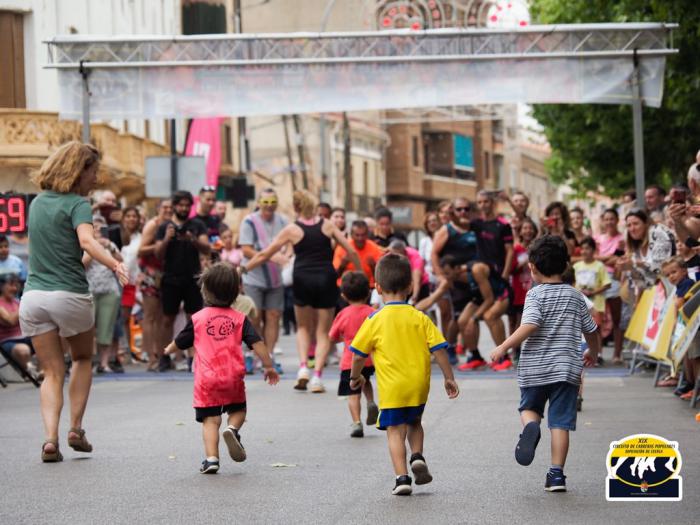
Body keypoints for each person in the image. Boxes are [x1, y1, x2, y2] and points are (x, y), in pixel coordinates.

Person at [19, 141, 128, 462]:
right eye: (93, 171)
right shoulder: (78, 205)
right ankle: (75, 429)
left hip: (34, 297)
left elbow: (60, 250)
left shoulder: (37, 203)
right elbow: (86, 241)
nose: (96, 178)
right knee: (81, 358)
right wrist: (114, 263)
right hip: (69, 296)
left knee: (51, 372)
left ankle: (50, 439)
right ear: (78, 170)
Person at [490, 235, 600, 492]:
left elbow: (530, 324)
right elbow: (592, 330)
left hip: (535, 368)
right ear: (565, 266)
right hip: (567, 369)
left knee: (529, 409)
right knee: (560, 423)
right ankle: (556, 475)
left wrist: (504, 346)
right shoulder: (576, 296)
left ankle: (530, 427)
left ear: (532, 268)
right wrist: (592, 352)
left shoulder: (535, 295)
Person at [348, 253, 459, 496]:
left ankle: (402, 478)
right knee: (415, 422)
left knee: (395, 431)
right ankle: (417, 455)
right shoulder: (420, 316)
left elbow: (358, 355)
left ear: (377, 288)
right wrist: (449, 377)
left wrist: (355, 376)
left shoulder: (375, 319)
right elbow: (439, 348)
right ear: (410, 287)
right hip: (418, 385)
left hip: (392, 389)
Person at [164, 262, 279, 474]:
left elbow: (181, 341)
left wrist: (168, 349)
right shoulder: (240, 319)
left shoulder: (198, 319)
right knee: (238, 410)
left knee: (210, 420)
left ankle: (211, 459)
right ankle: (233, 429)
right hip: (232, 376)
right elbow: (257, 343)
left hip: (206, 379)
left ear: (205, 290)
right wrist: (269, 366)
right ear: (236, 292)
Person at [243, 190, 360, 393]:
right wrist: (361, 274)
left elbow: (264, 254)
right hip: (325, 278)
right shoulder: (327, 225)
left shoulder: (292, 229)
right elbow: (350, 251)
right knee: (323, 332)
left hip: (302, 278)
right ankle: (317, 377)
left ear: (296, 208)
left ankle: (304, 368)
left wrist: (243, 269)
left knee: (304, 328)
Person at [155, 190, 210, 371]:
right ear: (175, 206)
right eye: (181, 205)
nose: (184, 208)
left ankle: (192, 357)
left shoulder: (197, 225)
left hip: (192, 278)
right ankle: (163, 356)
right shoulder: (165, 227)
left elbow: (207, 248)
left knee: (194, 319)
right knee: (167, 319)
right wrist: (166, 239)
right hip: (171, 278)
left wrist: (192, 239)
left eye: (187, 205)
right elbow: (157, 254)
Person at [239, 189, 289, 374]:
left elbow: (291, 242)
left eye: (272, 202)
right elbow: (246, 249)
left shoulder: (283, 221)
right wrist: (271, 256)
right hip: (254, 277)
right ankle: (250, 355)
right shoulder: (249, 221)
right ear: (259, 202)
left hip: (276, 278)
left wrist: (287, 253)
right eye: (265, 202)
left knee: (274, 316)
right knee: (254, 317)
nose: (269, 206)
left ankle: (269, 356)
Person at [328, 272, 379, 438]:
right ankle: (371, 402)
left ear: (343, 295)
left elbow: (332, 337)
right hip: (369, 359)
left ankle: (357, 422)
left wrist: (343, 337)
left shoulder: (343, 314)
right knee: (366, 381)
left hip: (349, 361)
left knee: (353, 393)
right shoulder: (372, 312)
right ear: (368, 292)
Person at [431, 197, 479, 365]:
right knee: (457, 318)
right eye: (459, 209)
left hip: (473, 279)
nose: (463, 212)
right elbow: (434, 254)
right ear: (453, 212)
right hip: (454, 281)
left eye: (466, 209)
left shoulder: (475, 227)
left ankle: (474, 353)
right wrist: (440, 276)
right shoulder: (447, 230)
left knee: (472, 317)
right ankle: (450, 347)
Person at [84, 216, 123, 374]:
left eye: (102, 228)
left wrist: (110, 248)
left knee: (106, 328)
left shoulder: (110, 245)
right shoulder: (86, 244)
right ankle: (86, 362)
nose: (99, 231)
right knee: (87, 328)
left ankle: (104, 363)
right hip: (90, 291)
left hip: (109, 291)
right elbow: (83, 264)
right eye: (96, 228)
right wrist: (95, 248)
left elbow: (121, 263)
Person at [137, 199, 172, 371]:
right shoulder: (153, 225)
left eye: (170, 208)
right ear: (158, 208)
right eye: (164, 207)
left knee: (161, 317)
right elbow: (141, 250)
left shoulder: (172, 225)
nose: (168, 210)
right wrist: (159, 244)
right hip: (150, 272)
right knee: (149, 317)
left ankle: (160, 355)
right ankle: (151, 357)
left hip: (165, 274)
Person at [617, 208, 675, 298]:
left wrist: (635, 264)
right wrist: (629, 268)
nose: (632, 229)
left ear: (646, 223)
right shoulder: (635, 245)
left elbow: (661, 267)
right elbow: (642, 282)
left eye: (636, 224)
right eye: (629, 225)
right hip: (655, 294)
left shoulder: (658, 233)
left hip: (673, 288)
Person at [594, 209, 625, 364]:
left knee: (616, 318)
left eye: (612, 219)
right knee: (597, 318)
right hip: (597, 280)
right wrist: (609, 258)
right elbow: (594, 258)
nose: (609, 222)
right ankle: (596, 353)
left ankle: (617, 354)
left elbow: (619, 259)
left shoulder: (622, 239)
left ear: (617, 220)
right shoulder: (597, 239)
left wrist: (602, 259)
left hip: (614, 279)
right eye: (606, 219)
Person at [573, 237, 611, 351]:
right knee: (581, 328)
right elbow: (573, 282)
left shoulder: (599, 266)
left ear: (594, 250)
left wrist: (592, 292)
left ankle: (598, 353)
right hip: (581, 302)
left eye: (587, 248)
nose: (584, 251)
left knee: (596, 328)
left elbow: (607, 284)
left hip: (596, 303)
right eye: (582, 249)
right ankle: (583, 351)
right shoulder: (576, 266)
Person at [509, 218, 538, 363]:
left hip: (535, 288)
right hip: (519, 289)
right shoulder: (516, 249)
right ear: (520, 231)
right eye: (525, 228)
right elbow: (510, 268)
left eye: (530, 228)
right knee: (518, 321)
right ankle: (516, 350)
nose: (528, 231)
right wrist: (522, 262)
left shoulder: (538, 247)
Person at [473, 190, 514, 280]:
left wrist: (506, 274)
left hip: (498, 271)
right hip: (480, 271)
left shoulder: (504, 224)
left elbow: (510, 251)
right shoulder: (475, 223)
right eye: (479, 202)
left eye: (486, 201)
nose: (483, 205)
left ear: (492, 203)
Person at [333, 220, 384, 290]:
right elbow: (334, 277)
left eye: (363, 235)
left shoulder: (374, 248)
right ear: (351, 234)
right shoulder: (342, 248)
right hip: (345, 287)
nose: (360, 238)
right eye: (357, 235)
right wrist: (342, 266)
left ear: (367, 235)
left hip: (368, 288)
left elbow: (381, 279)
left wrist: (373, 266)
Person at [119, 206, 142, 358]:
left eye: (134, 216)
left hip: (132, 282)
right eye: (128, 216)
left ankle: (128, 350)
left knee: (125, 318)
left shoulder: (141, 237)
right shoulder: (117, 235)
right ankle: (120, 350)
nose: (131, 219)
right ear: (123, 218)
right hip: (114, 280)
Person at [0, 274, 34, 374]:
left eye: (16, 285)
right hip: (7, 341)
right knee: (23, 349)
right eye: (11, 285)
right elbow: (10, 320)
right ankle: (29, 372)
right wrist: (25, 301)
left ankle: (44, 371)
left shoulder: (17, 302)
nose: (14, 288)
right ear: (1, 286)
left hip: (24, 336)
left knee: (49, 338)